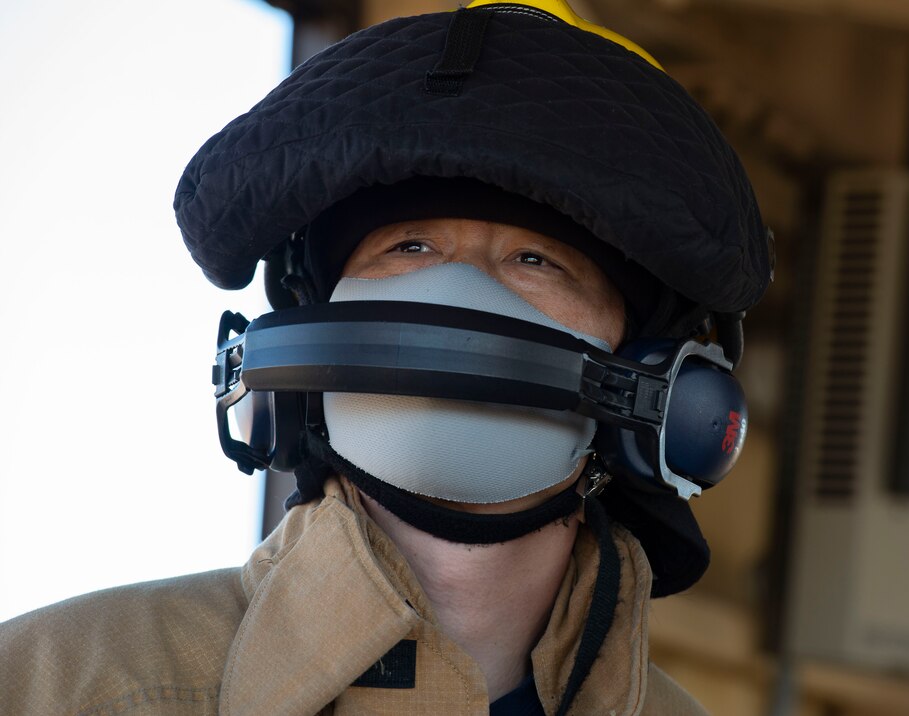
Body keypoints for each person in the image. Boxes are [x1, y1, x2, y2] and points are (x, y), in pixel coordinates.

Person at [0, 1, 772, 713]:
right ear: (310, 321)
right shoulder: (54, 683)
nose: (459, 290)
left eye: (537, 260)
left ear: (659, 380)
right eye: (411, 245)